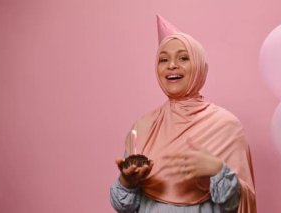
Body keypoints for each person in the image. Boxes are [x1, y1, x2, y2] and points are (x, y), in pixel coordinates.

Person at [110, 15, 256, 213]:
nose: (172, 65)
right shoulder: (143, 127)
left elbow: (238, 204)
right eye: (163, 59)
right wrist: (127, 182)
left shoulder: (226, 125)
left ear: (198, 66)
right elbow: (125, 206)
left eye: (183, 58)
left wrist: (217, 170)